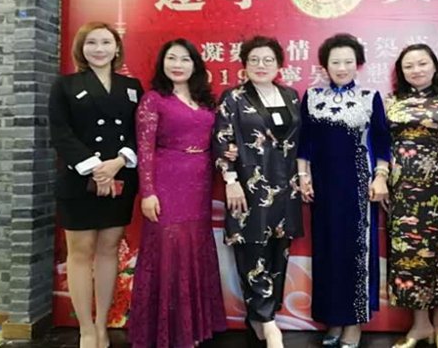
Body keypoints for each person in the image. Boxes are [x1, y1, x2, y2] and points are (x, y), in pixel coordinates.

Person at [49, 21, 142, 348]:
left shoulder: (132, 86)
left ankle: (102, 324)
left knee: (108, 250)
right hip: (78, 180)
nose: (99, 49)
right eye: (92, 43)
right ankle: (86, 330)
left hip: (120, 177)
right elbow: (60, 132)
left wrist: (118, 162)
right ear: (81, 48)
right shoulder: (65, 85)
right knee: (80, 252)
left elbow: (140, 131)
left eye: (106, 42)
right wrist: (94, 168)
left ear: (116, 48)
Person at [129, 38, 226, 347]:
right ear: (162, 63)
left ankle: (193, 329)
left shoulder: (205, 100)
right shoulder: (154, 99)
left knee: (195, 247)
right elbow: (144, 148)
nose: (178, 65)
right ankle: (165, 332)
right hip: (166, 182)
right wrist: (148, 192)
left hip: (200, 184)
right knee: (168, 250)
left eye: (185, 59)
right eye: (171, 58)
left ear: (195, 65)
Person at [297, 33, 391, 348]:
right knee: (327, 252)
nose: (341, 67)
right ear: (325, 65)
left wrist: (380, 176)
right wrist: (303, 176)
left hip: (358, 187)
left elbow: (382, 141)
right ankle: (333, 319)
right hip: (323, 188)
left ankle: (354, 322)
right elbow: (305, 141)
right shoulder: (312, 96)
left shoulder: (369, 96)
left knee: (355, 252)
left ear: (358, 64)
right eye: (335, 62)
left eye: (348, 61)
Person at [214, 36, 303, 348]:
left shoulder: (291, 96)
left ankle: (261, 318)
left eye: (268, 60)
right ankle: (268, 323)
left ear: (279, 65)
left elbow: (299, 142)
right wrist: (230, 180)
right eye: (254, 60)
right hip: (249, 188)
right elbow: (223, 140)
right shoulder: (233, 97)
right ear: (244, 65)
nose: (261, 65)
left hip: (287, 188)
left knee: (279, 253)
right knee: (252, 252)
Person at [385, 44, 438, 348]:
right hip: (402, 193)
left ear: (434, 66)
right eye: (409, 66)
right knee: (409, 260)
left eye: (422, 63)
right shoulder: (391, 102)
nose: (416, 70)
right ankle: (420, 326)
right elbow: (381, 146)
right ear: (401, 72)